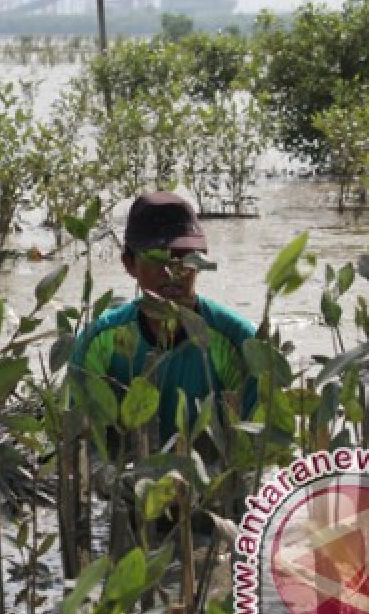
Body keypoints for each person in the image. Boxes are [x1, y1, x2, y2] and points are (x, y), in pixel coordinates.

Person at [70, 192, 258, 452]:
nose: (172, 272)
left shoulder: (240, 341)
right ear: (129, 264)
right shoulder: (99, 340)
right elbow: (81, 445)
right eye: (157, 258)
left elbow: (262, 447)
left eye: (184, 257)